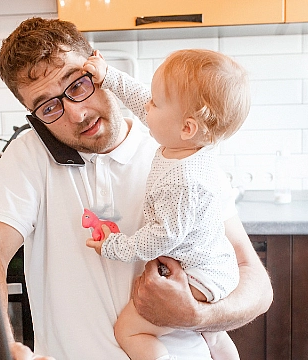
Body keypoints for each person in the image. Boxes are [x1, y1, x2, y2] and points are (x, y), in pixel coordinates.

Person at [0, 17, 273, 360]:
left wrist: (197, 316)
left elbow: (252, 278)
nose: (76, 114)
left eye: (78, 85)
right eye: (49, 106)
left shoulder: (178, 154)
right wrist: (3, 345)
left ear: (97, 67)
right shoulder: (28, 155)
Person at [84, 49, 248, 360]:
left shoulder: (183, 180)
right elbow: (140, 99)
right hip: (215, 266)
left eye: (156, 102)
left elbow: (163, 236)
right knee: (212, 332)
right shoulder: (188, 144)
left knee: (130, 330)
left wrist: (115, 246)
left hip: (199, 275)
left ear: (187, 127)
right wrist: (110, 77)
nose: (147, 106)